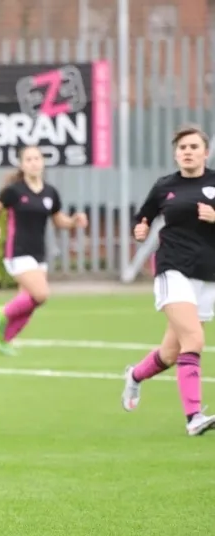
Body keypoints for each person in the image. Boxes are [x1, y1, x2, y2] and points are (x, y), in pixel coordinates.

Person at [121, 124, 215, 436]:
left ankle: (135, 375)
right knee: (194, 340)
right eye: (182, 148)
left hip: (207, 275)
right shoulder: (165, 186)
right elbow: (143, 217)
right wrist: (140, 228)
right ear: (176, 155)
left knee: (171, 354)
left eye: (193, 147)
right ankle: (193, 417)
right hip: (172, 268)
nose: (187, 152)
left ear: (205, 152)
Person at [0, 145, 88, 355]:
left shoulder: (50, 192)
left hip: (38, 253)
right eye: (29, 159)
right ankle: (2, 312)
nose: (33, 163)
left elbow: (58, 220)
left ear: (43, 162)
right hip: (17, 251)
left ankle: (3, 340)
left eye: (37, 159)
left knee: (30, 302)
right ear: (22, 165)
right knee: (41, 294)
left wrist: (73, 221)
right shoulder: (14, 191)